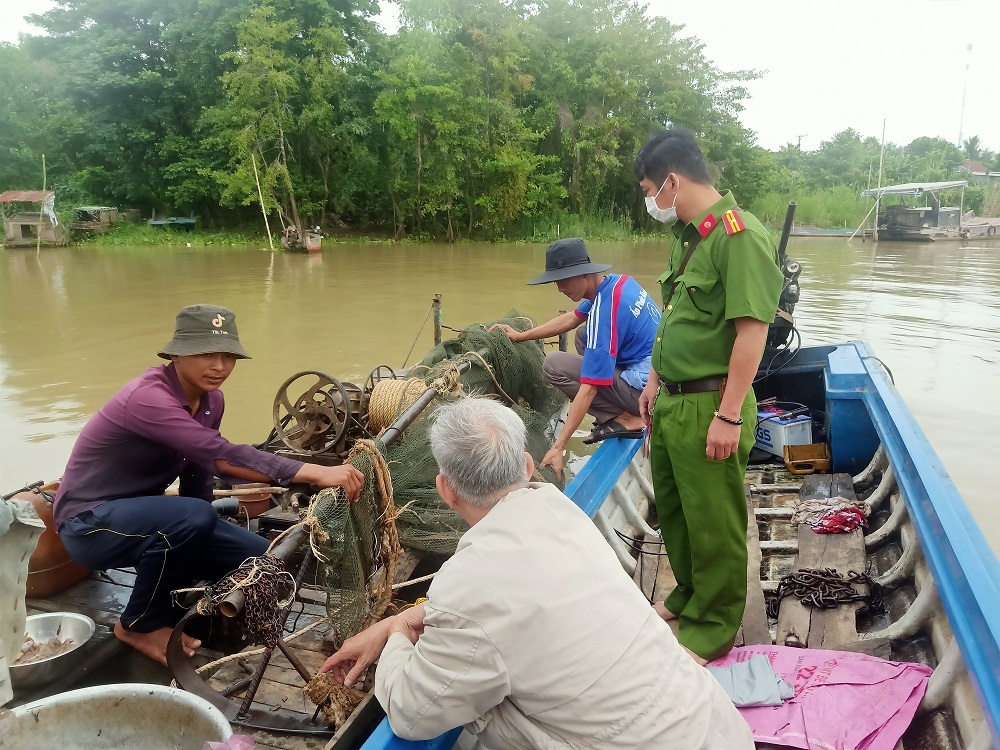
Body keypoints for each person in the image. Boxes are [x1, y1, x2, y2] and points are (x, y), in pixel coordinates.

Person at [319, 397, 753, 749]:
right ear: (527, 466)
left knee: (482, 705)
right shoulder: (560, 512)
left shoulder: (469, 582)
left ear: (445, 490)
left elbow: (413, 714)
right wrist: (407, 618)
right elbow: (503, 606)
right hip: (719, 729)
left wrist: (395, 638)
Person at [53, 304, 365, 665]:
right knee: (193, 516)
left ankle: (180, 596)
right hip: (89, 526)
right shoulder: (147, 398)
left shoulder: (210, 399)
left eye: (228, 356)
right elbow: (218, 456)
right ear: (176, 354)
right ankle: (138, 624)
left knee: (259, 557)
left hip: (144, 523)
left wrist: (204, 523)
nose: (219, 366)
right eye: (205, 354)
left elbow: (198, 469)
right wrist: (314, 471)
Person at [634, 128, 783, 663]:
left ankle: (714, 625)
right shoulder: (689, 236)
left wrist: (728, 416)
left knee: (713, 519)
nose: (651, 201)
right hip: (673, 399)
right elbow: (674, 321)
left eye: (651, 189)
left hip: (711, 404)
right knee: (675, 511)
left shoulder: (738, 236)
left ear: (672, 181)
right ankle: (688, 594)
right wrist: (654, 381)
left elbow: (751, 333)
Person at [489, 237, 660, 478]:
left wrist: (558, 447)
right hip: (655, 374)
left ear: (583, 274)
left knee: (554, 365)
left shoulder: (604, 313)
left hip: (648, 397)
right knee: (582, 333)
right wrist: (521, 336)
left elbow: (589, 388)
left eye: (563, 281)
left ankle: (627, 417)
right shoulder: (618, 284)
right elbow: (570, 319)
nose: (560, 289)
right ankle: (623, 405)